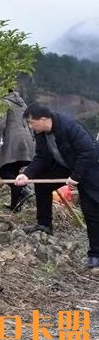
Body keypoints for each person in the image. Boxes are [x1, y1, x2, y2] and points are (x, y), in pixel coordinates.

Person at [15, 103, 99, 268]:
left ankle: (95, 254)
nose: (31, 126)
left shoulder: (69, 127)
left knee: (91, 210)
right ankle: (44, 224)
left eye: (32, 122)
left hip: (89, 169)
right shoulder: (41, 133)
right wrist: (27, 174)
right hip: (65, 166)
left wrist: (75, 177)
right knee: (43, 185)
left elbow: (89, 152)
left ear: (44, 119)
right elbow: (41, 157)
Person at [0, 90, 35, 212]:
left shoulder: (4, 102)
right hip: (27, 140)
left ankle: (23, 190)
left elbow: (0, 123)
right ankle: (15, 206)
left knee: (3, 170)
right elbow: (30, 120)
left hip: (14, 140)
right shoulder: (22, 103)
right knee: (14, 170)